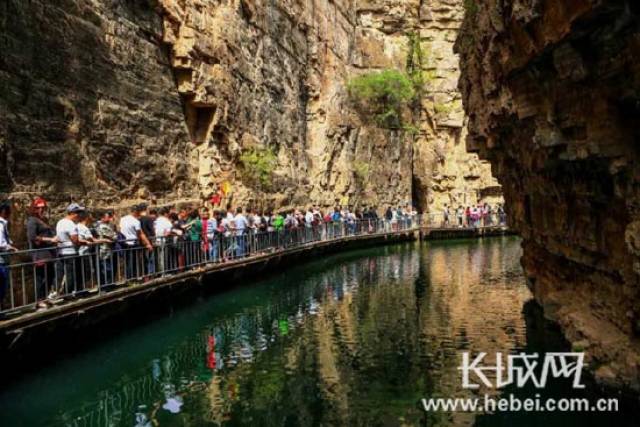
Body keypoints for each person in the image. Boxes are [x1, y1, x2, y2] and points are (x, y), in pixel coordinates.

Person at [26, 197, 58, 307]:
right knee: (40, 277)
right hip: (39, 254)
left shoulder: (43, 220)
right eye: (40, 208)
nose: (42, 210)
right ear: (35, 209)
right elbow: (32, 237)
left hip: (48, 254)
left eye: (44, 207)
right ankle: (39, 301)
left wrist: (55, 239)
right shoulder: (32, 220)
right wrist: (50, 239)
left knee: (50, 276)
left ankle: (45, 298)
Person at [55, 203, 85, 297]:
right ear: (74, 213)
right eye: (79, 213)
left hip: (61, 252)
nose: (80, 215)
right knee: (70, 275)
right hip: (71, 252)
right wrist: (84, 243)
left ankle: (57, 292)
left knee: (61, 274)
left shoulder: (60, 222)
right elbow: (75, 240)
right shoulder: (71, 224)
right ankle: (67, 295)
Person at [119, 204, 153, 280]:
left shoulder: (122, 219)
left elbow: (121, 229)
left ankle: (128, 279)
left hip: (124, 243)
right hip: (133, 244)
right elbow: (141, 234)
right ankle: (132, 279)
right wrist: (148, 244)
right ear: (136, 212)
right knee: (133, 262)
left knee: (127, 262)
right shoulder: (135, 221)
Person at [0, 201, 18, 311]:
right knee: (2, 286)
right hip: (1, 260)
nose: (10, 214)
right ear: (4, 212)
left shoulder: (3, 224)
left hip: (3, 260)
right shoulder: (0, 224)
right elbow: (1, 243)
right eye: (9, 212)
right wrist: (10, 247)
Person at [95, 210, 118, 286]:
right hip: (105, 251)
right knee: (106, 269)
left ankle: (109, 284)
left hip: (108, 250)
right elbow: (114, 236)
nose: (110, 218)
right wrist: (114, 235)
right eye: (108, 217)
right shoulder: (103, 226)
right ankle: (107, 285)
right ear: (103, 218)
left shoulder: (106, 225)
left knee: (109, 268)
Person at [140, 206, 157, 275]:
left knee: (144, 258)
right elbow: (152, 231)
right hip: (149, 240)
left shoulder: (138, 219)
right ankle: (151, 273)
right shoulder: (148, 219)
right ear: (146, 210)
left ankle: (145, 273)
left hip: (142, 241)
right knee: (151, 258)